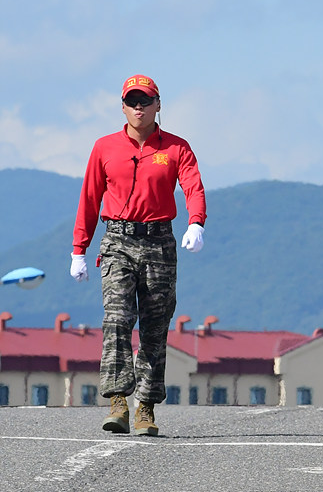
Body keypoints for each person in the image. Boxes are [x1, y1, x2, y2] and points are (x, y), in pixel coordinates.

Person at [70, 74, 207, 436]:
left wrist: (196, 222)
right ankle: (118, 401)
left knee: (155, 326)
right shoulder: (104, 147)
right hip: (117, 240)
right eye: (132, 101)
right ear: (123, 107)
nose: (138, 107)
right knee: (117, 318)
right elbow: (89, 198)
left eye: (145, 100)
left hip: (159, 242)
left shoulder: (176, 147)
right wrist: (78, 250)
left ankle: (145, 406)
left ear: (158, 105)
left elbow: (192, 185)